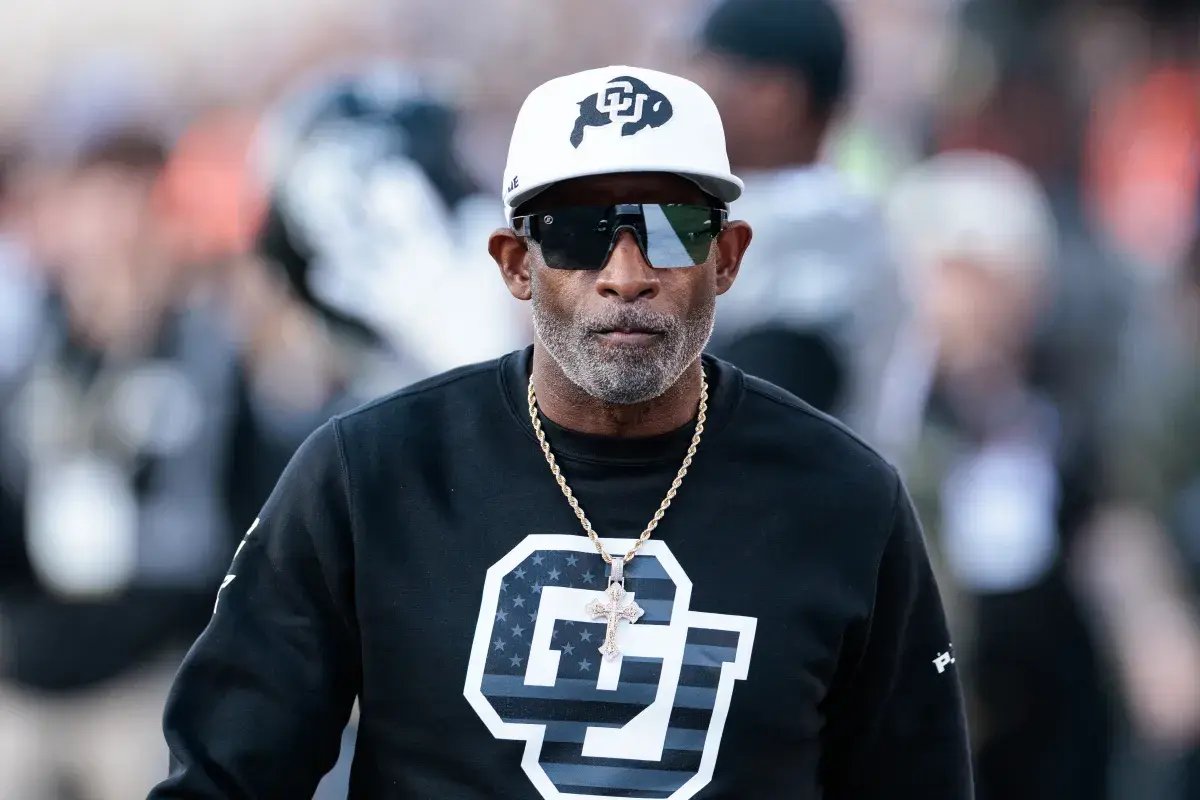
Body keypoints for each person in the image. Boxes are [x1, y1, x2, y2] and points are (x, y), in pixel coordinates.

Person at [150, 66, 972, 799]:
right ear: (515, 262)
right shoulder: (369, 474)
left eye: (672, 228)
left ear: (726, 256)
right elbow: (227, 775)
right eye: (579, 232)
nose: (626, 275)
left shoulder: (845, 498)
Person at [694, 0, 905, 431]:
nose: (690, 94)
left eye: (711, 70)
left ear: (775, 96)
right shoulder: (736, 203)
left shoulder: (823, 222)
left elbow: (754, 411)